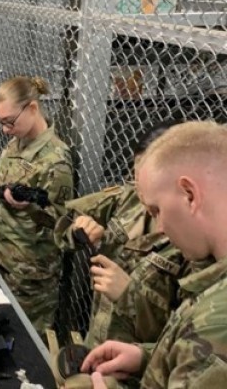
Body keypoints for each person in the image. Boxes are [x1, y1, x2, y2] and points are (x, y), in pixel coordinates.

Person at [81, 121, 227, 388]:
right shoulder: (213, 281)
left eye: (158, 210)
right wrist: (147, 358)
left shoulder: (217, 322)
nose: (160, 227)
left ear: (189, 194)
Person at [54, 122, 190, 347]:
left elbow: (185, 338)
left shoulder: (198, 240)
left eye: (148, 180)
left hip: (138, 366)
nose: (139, 188)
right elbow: (65, 220)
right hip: (99, 339)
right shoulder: (129, 199)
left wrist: (129, 294)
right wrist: (80, 229)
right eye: (136, 176)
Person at [0, 76, 73, 334]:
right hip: (3, 256)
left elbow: (63, 222)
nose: (5, 129)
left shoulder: (55, 160)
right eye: (0, 123)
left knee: (30, 339)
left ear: (32, 108)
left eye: (9, 121)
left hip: (31, 273)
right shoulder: (16, 143)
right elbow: (14, 182)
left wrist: (27, 206)